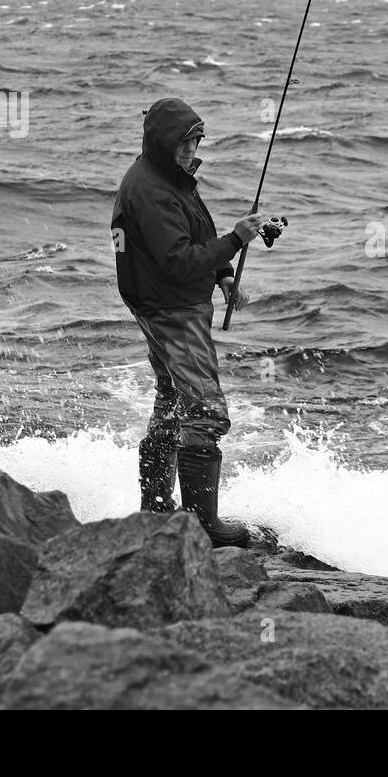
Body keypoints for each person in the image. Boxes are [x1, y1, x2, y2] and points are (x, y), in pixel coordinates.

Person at [110, 97, 268, 547]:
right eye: (183, 142)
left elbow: (196, 233)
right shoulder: (150, 190)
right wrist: (237, 240)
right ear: (162, 143)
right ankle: (203, 529)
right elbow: (178, 262)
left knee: (172, 403)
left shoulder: (167, 178)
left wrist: (221, 275)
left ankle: (156, 511)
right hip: (172, 310)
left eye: (196, 140)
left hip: (161, 306)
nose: (190, 149)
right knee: (204, 410)